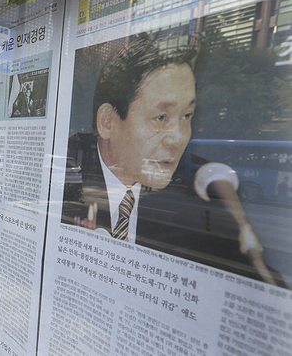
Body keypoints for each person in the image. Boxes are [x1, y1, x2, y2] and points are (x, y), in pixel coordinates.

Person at [64, 38, 285, 287]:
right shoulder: (67, 190)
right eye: (160, 117)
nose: (178, 137)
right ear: (108, 122)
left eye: (186, 116)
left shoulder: (189, 211)